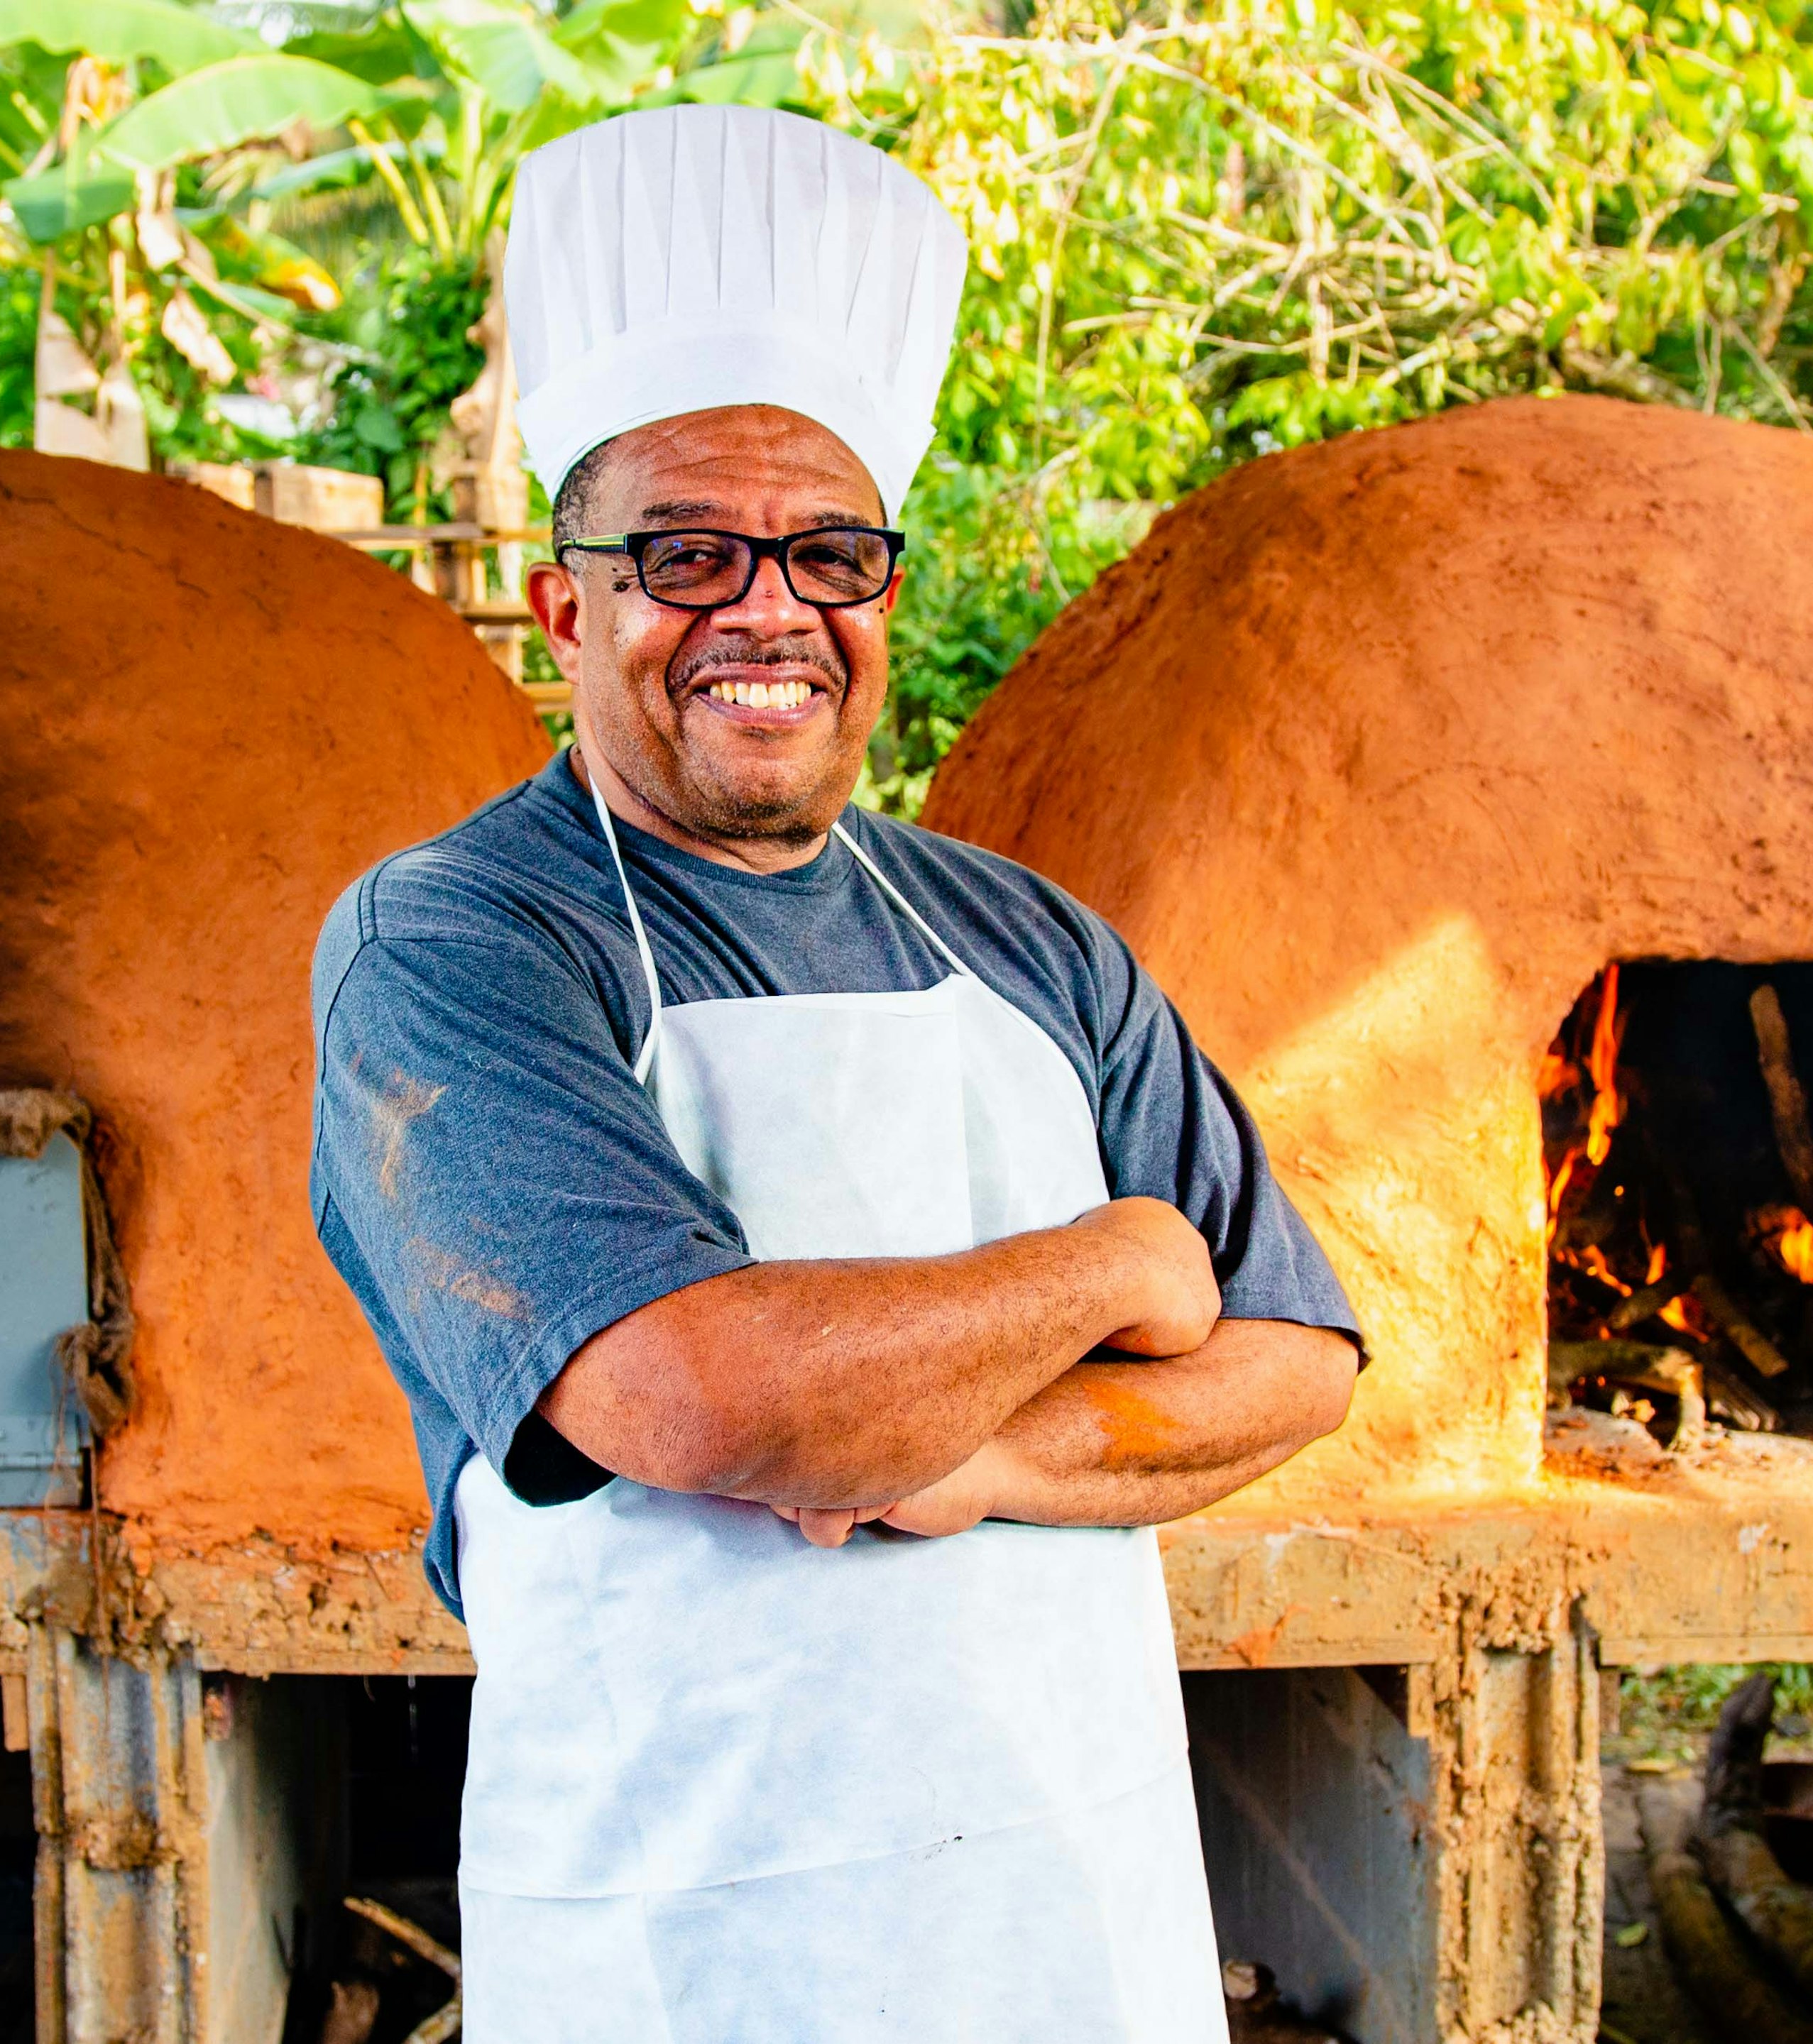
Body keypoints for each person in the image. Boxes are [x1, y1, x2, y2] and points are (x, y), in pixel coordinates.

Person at [309, 103, 1364, 2043]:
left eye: (828, 553)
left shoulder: (1032, 940)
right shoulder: (457, 941)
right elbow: (699, 1396)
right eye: (687, 556)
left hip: (1074, 1917)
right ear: (570, 609)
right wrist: (1121, 1265)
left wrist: (990, 1461)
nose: (765, 612)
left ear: (883, 599)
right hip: (691, 1941)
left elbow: (1296, 1357)